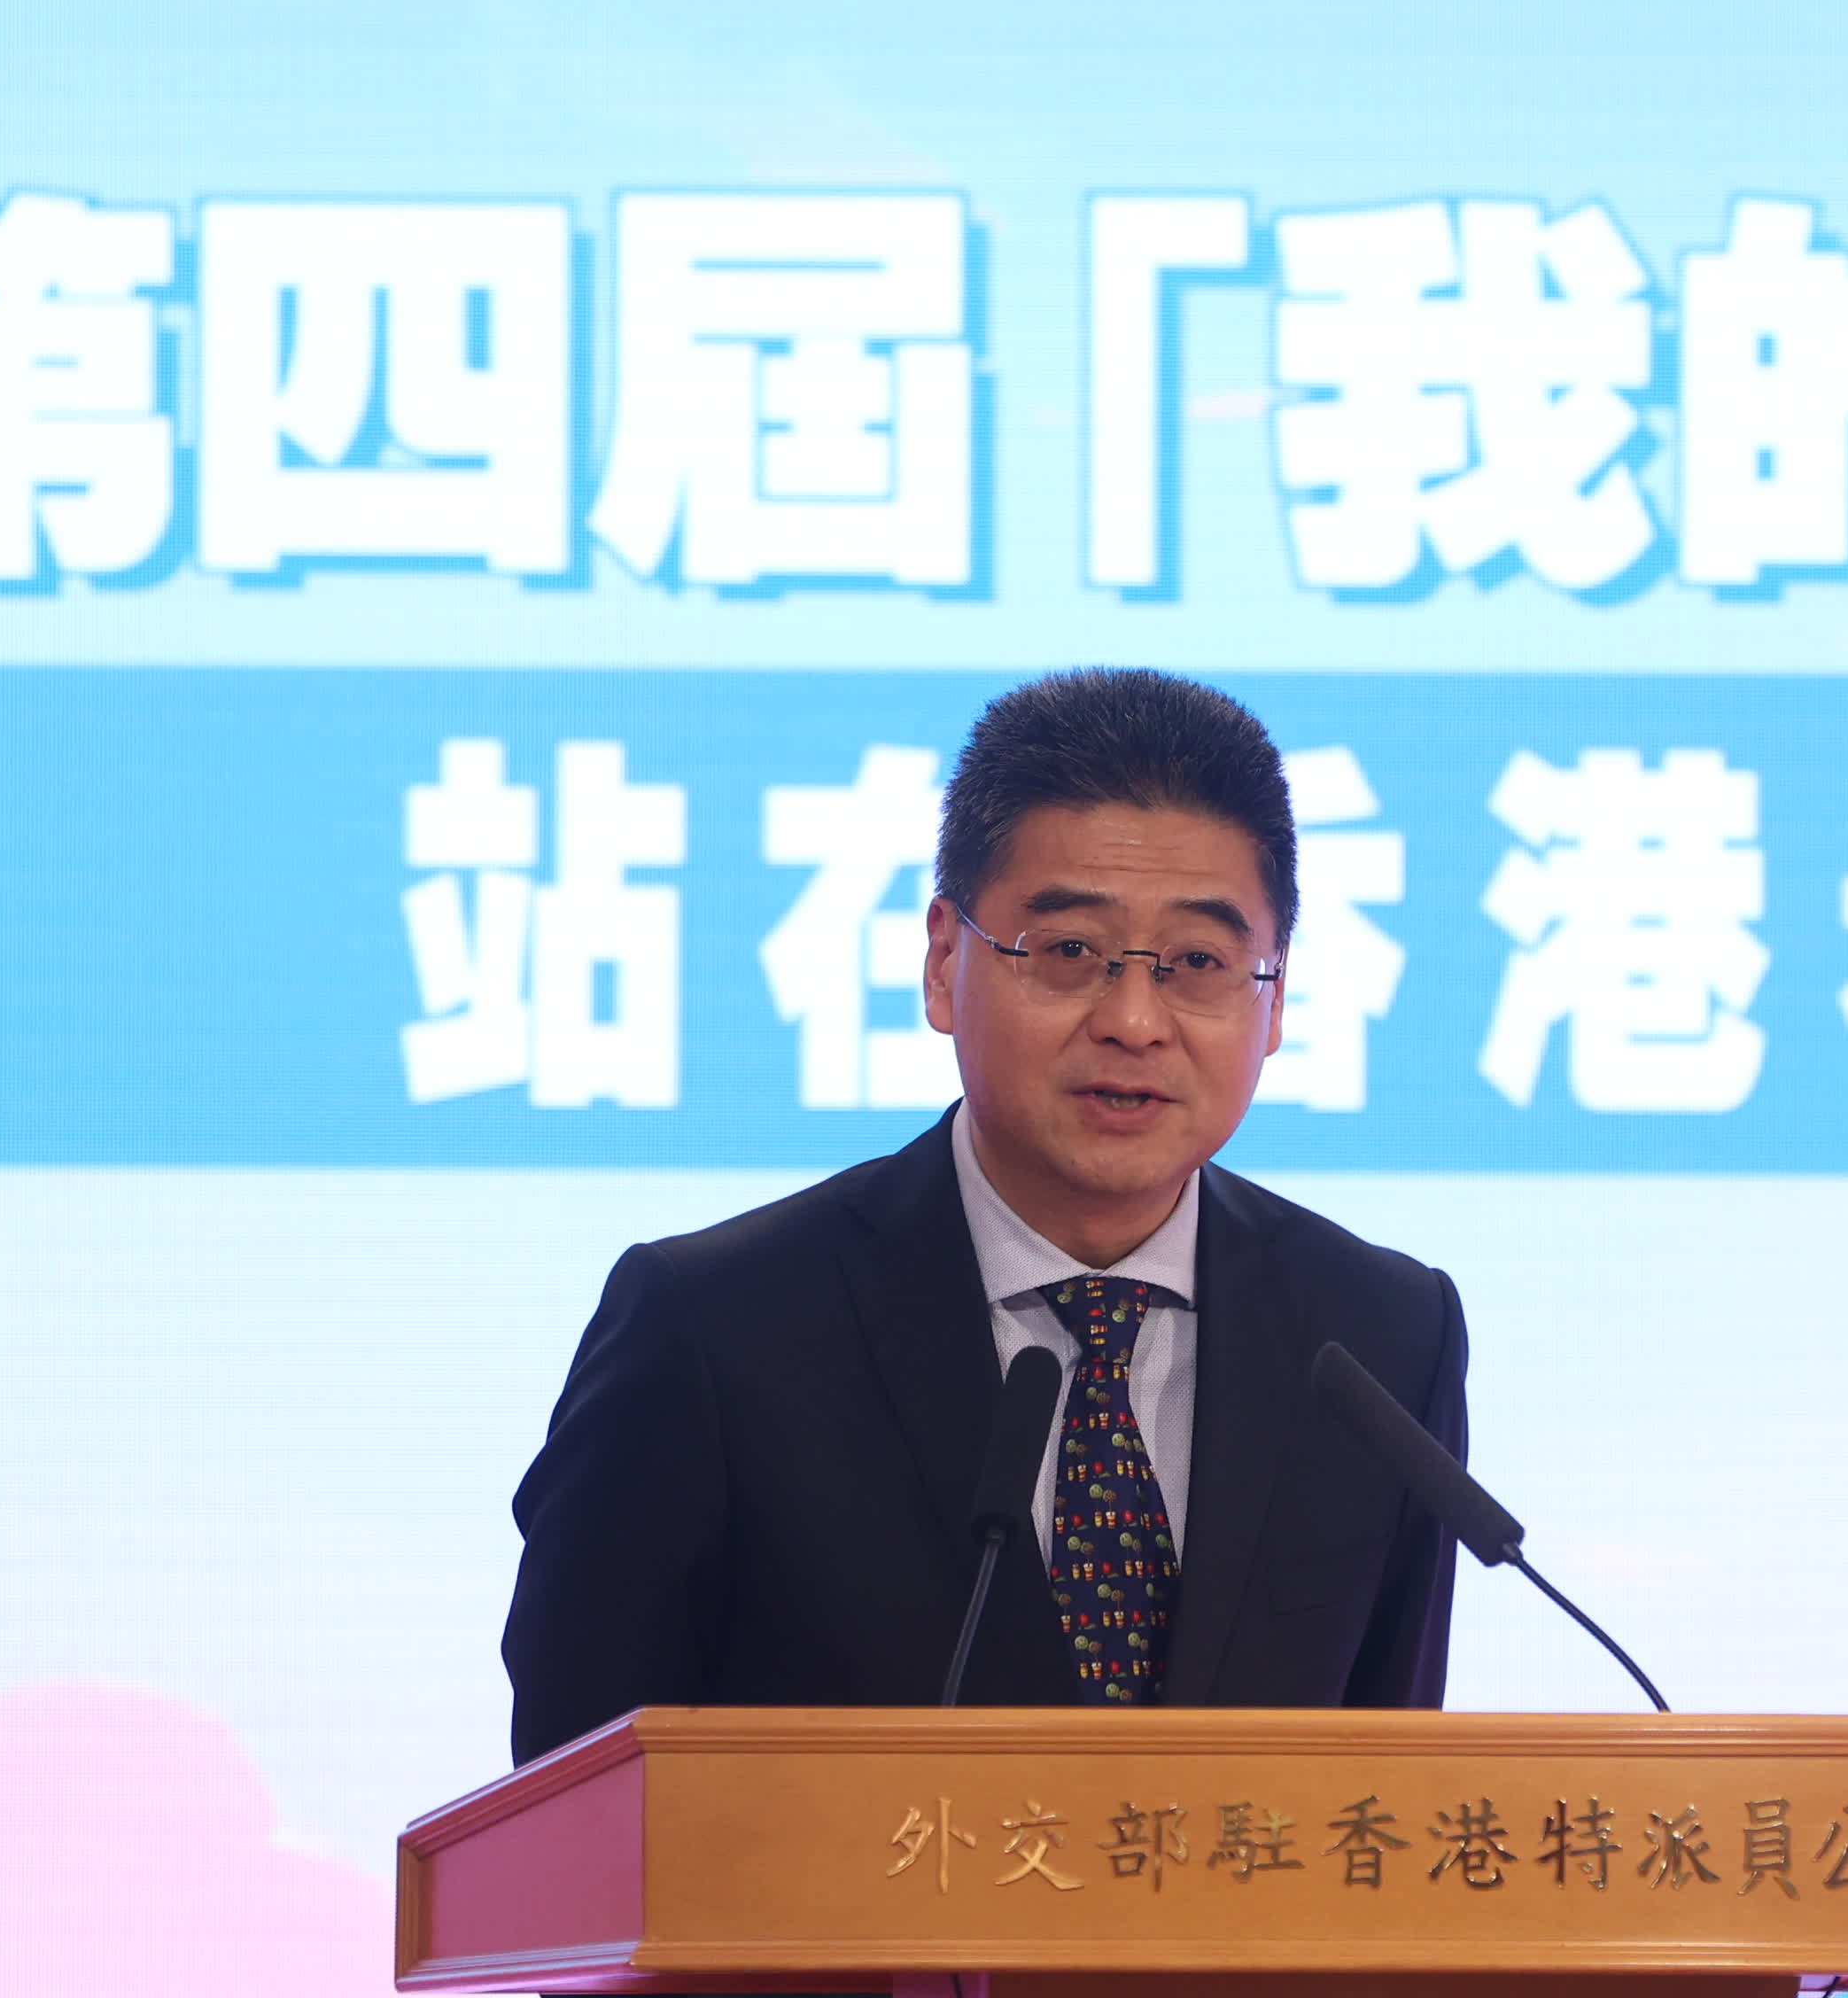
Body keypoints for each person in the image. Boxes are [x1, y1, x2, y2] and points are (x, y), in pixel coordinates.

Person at [502, 668, 1468, 1765]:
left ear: (1275, 994)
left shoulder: (1385, 1336)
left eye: (1199, 963)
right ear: (943, 961)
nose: (1135, 1020)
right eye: (1070, 953)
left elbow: (1386, 1797)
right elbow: (571, 1808)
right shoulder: (713, 1332)